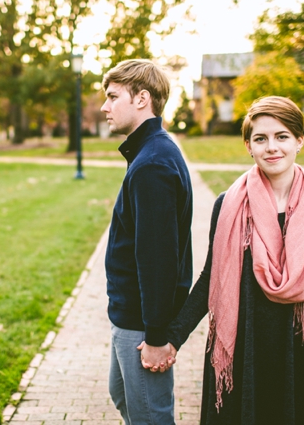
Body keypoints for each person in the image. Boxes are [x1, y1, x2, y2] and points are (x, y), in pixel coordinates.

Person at [157, 96, 304, 425]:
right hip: (243, 349)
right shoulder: (228, 205)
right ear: (249, 146)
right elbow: (210, 280)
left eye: (282, 136)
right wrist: (171, 339)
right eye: (261, 138)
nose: (272, 147)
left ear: (299, 141)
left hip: (297, 353)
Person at [101, 59, 193, 424]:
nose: (105, 107)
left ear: (142, 99)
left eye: (112, 97)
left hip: (142, 324)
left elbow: (158, 261)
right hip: (129, 315)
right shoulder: (148, 151)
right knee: (122, 394)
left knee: (151, 416)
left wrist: (156, 337)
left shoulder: (152, 163)